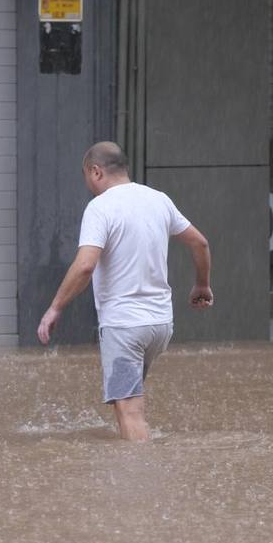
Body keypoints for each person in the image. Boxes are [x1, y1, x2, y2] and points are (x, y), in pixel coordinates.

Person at [37, 141, 212, 442]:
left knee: (130, 409)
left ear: (95, 172)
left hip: (125, 326)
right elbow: (200, 243)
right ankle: (127, 471)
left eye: (86, 177)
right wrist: (202, 284)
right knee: (124, 401)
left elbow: (84, 267)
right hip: (159, 326)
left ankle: (141, 480)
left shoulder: (100, 208)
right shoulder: (159, 200)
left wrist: (55, 307)